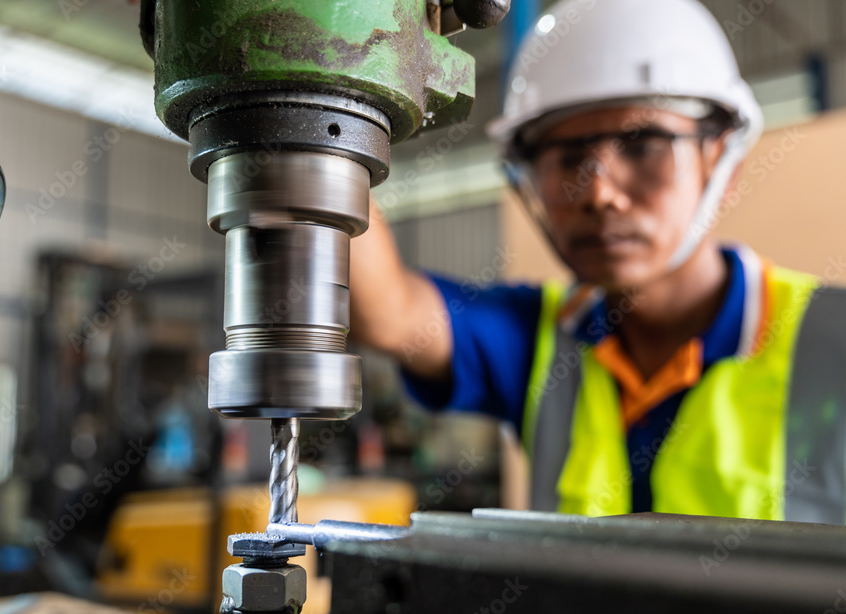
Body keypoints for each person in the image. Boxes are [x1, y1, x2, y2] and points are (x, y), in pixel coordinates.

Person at [350, 0, 846, 523]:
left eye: (643, 144)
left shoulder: (832, 343)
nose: (599, 192)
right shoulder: (539, 337)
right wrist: (325, 129)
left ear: (722, 161)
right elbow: (388, 312)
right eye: (566, 157)